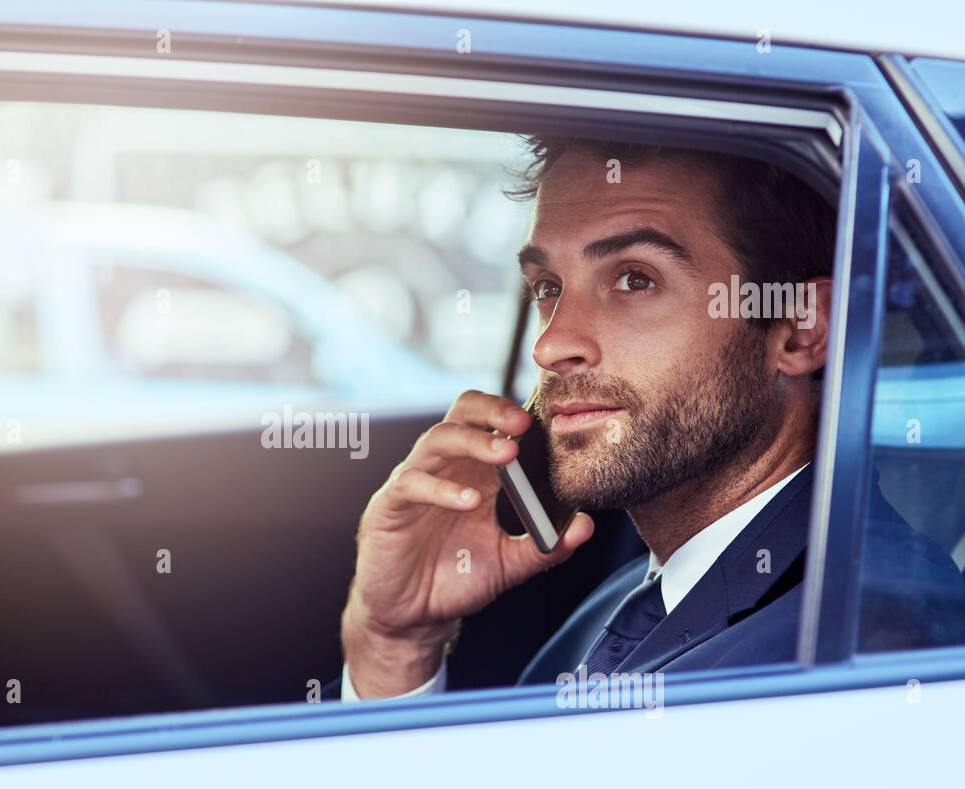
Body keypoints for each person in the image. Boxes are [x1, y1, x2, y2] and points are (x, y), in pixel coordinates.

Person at [333, 136, 964, 701]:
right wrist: (393, 644)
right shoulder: (646, 589)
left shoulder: (840, 659)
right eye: (549, 287)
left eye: (634, 280)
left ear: (801, 328)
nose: (550, 345)